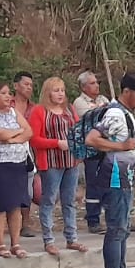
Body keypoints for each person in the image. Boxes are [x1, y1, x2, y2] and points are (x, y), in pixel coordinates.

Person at [85, 72, 135, 268]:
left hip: (124, 176)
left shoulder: (124, 112)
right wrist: (122, 147)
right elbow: (92, 139)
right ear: (126, 92)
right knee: (116, 228)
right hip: (114, 176)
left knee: (123, 228)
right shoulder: (115, 113)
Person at [28, 76, 88, 255]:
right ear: (48, 93)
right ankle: (49, 239)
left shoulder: (69, 110)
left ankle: (72, 238)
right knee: (49, 199)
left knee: (69, 201)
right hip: (52, 161)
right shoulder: (39, 111)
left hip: (71, 160)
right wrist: (56, 143)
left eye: (62, 90)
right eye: (56, 90)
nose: (60, 94)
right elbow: (34, 139)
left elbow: (78, 130)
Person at [0, 81, 35, 259]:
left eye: (8, 93)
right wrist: (16, 132)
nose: (7, 96)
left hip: (18, 162)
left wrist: (12, 138)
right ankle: (0, 243)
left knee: (16, 206)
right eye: (2, 93)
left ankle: (16, 243)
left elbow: (28, 131)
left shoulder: (13, 112)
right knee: (1, 205)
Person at [74, 70, 112, 233]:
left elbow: (112, 118)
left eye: (97, 82)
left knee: (110, 184)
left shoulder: (103, 99)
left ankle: (113, 218)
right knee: (93, 185)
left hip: (107, 146)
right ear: (83, 87)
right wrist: (103, 112)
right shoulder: (79, 102)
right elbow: (92, 120)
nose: (96, 86)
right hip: (90, 149)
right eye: (92, 83)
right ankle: (93, 219)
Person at [11, 71, 38, 238]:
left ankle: (25, 223)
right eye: (25, 84)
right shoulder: (7, 103)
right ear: (16, 86)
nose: (29, 87)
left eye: (31, 85)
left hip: (28, 151)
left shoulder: (34, 108)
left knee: (26, 189)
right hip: (6, 148)